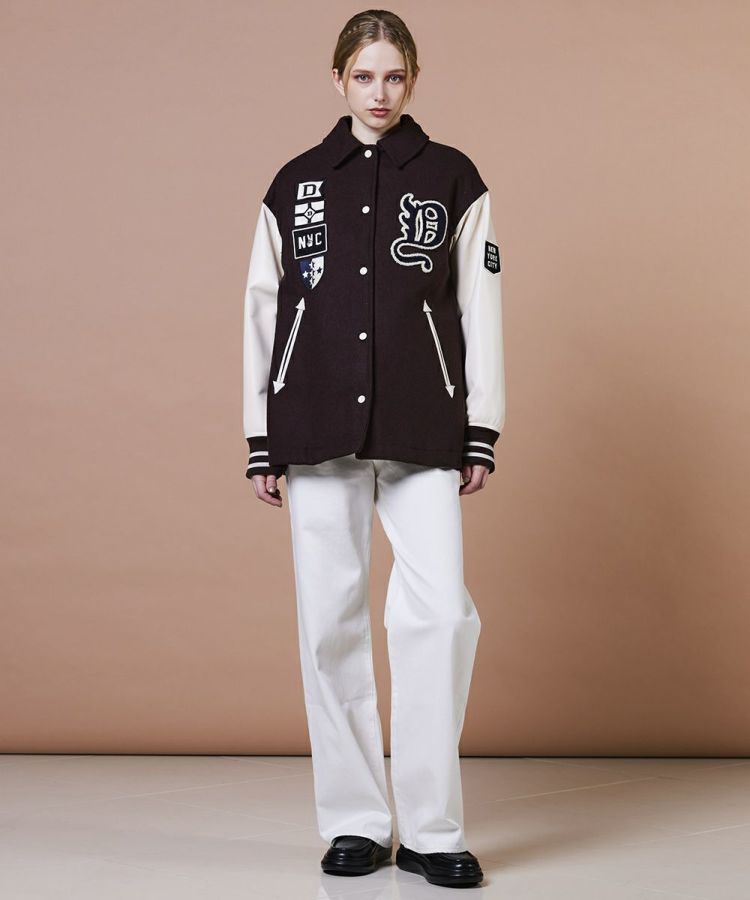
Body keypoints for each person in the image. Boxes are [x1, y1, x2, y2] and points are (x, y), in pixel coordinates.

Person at [242, 9, 505, 889]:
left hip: (424, 427)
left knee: (438, 619)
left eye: (394, 77)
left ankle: (432, 829)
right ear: (338, 79)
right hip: (315, 424)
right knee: (331, 624)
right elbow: (263, 309)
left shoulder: (453, 177)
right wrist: (261, 436)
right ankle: (355, 821)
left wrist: (481, 425)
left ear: (413, 80)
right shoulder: (296, 183)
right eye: (364, 77)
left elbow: (480, 307)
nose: (379, 93)